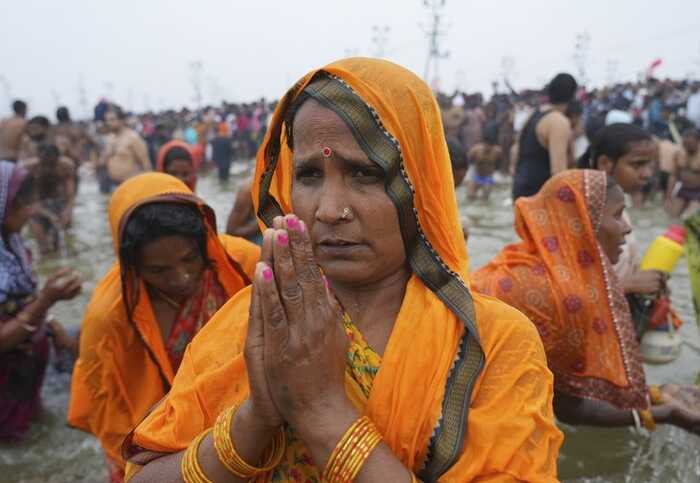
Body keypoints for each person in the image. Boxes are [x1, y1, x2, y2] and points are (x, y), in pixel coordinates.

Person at [125, 58, 562, 482]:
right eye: (310, 174)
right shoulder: (255, 319)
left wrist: (322, 411)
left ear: (420, 183)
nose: (330, 211)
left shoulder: (494, 341)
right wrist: (256, 419)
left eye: (365, 174)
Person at [472, 170, 700, 435]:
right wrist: (667, 413)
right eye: (617, 215)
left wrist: (658, 394)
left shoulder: (528, 259)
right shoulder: (567, 297)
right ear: (581, 221)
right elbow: (570, 407)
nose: (627, 227)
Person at [68, 173, 260, 482]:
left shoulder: (242, 263)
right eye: (159, 270)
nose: (181, 278)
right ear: (133, 265)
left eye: (190, 259)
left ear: (205, 244)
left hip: (244, 425)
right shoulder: (108, 317)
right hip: (160, 447)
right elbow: (109, 415)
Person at [0, 161, 81, 439]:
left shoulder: (11, 244)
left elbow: (21, 300)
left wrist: (51, 321)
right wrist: (46, 301)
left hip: (24, 369)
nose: (31, 210)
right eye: (21, 204)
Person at [512, 73, 578, 200]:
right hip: (540, 193)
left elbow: (516, 151)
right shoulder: (559, 121)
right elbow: (558, 171)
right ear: (573, 96)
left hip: (520, 188)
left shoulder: (532, 115)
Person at [22, 144, 77, 254]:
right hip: (37, 207)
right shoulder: (29, 169)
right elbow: (29, 202)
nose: (49, 168)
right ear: (39, 159)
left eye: (52, 163)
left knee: (66, 245)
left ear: (58, 159)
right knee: (43, 247)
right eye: (45, 163)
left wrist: (67, 211)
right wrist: (50, 215)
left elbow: (71, 196)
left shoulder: (66, 166)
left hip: (58, 202)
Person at [97, 104, 151, 193]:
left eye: (112, 120)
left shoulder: (133, 138)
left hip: (131, 186)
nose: (109, 123)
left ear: (122, 120)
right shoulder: (110, 138)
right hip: (113, 186)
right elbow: (103, 161)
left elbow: (146, 163)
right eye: (107, 120)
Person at [667, 127, 700, 219]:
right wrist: (669, 195)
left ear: (698, 142)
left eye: (691, 144)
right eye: (685, 144)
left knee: (690, 218)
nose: (687, 146)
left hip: (698, 191)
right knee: (672, 217)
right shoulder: (678, 154)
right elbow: (673, 175)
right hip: (683, 188)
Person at [466, 124, 503, 201]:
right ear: (483, 143)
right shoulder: (476, 150)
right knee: (470, 196)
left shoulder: (497, 152)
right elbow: (467, 162)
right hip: (476, 175)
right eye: (487, 145)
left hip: (488, 177)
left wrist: (497, 173)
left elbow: (500, 163)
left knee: (485, 198)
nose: (488, 147)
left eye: (490, 145)